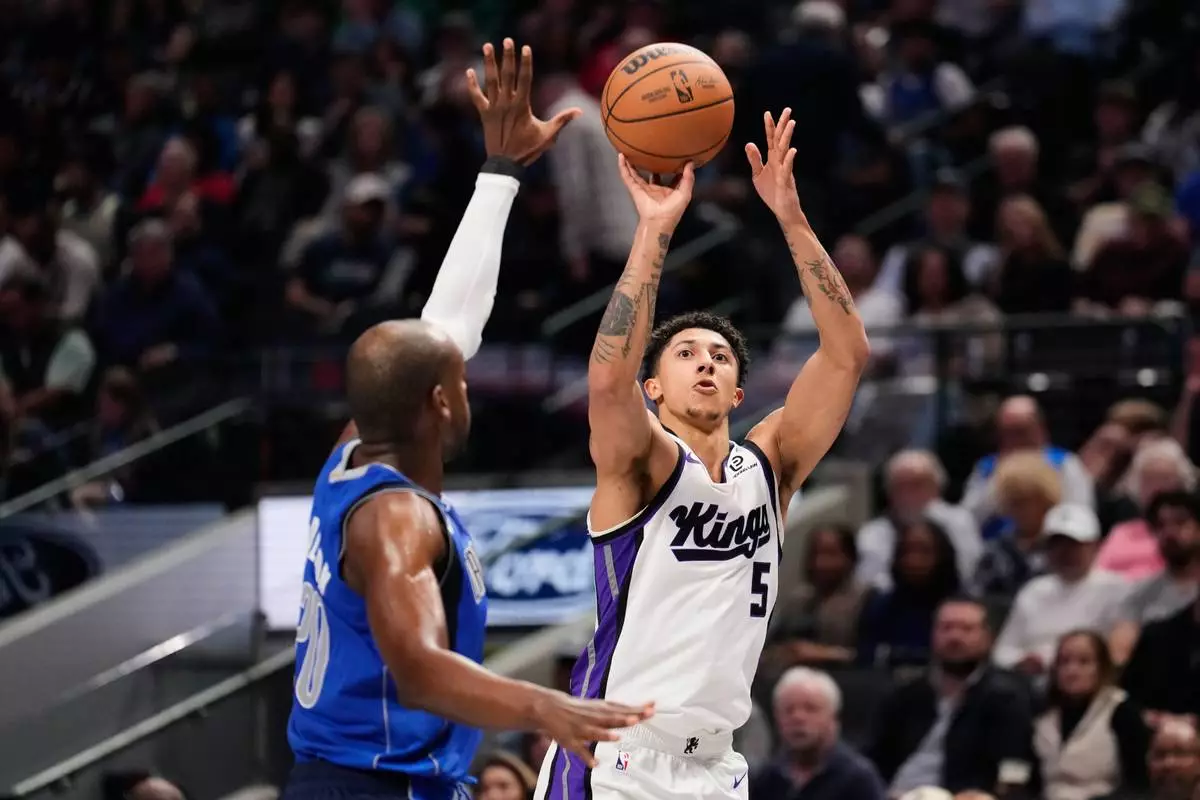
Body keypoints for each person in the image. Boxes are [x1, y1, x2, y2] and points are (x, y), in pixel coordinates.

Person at [282, 40, 651, 800]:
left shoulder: (350, 457)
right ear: (441, 403)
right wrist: (546, 707)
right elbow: (419, 669)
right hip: (373, 787)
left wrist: (501, 173)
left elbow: (446, 327)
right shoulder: (395, 520)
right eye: (461, 380)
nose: (468, 381)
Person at [537, 109, 870, 799]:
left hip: (717, 766)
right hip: (617, 757)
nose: (707, 362)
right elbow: (607, 381)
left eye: (720, 355)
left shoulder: (769, 466)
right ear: (654, 387)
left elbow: (846, 356)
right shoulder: (644, 462)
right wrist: (654, 232)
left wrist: (791, 218)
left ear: (739, 390)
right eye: (686, 354)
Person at [1031, 631, 1150, 800]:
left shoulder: (1122, 712)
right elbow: (1032, 783)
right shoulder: (1044, 715)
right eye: (1064, 662)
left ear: (1101, 668)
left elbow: (1137, 784)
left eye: (1084, 662)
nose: (1072, 671)